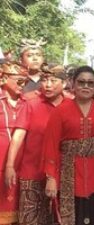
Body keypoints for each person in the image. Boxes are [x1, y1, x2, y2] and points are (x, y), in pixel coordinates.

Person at [42, 65, 94, 225]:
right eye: (81, 82)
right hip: (68, 173)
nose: (86, 86)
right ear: (73, 84)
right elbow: (50, 145)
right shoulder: (60, 111)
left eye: (90, 83)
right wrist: (51, 177)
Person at [4, 63, 66, 225]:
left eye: (53, 80)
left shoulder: (71, 105)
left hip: (64, 174)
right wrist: (10, 165)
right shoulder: (32, 104)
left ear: (65, 83)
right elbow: (18, 136)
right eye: (45, 80)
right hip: (32, 173)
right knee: (31, 220)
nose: (48, 84)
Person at [0, 62, 29, 225]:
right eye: (19, 80)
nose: (22, 85)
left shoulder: (27, 103)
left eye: (24, 81)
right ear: (4, 79)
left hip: (22, 164)